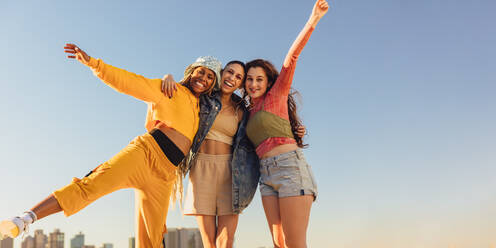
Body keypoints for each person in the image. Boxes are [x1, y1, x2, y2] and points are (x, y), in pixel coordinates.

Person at [0, 44, 222, 248]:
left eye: (210, 76)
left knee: (152, 237)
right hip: (145, 154)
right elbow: (129, 82)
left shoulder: (204, 109)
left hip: (165, 175)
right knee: (92, 185)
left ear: (214, 83)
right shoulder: (169, 90)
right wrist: (94, 64)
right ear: (191, 71)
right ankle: (25, 219)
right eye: (201, 71)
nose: (204, 78)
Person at [161, 63, 307, 248]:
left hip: (230, 173)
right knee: (208, 242)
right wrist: (168, 77)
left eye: (239, 77)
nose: (232, 78)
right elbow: (182, 91)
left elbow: (263, 128)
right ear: (221, 74)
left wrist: (292, 132)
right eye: (230, 72)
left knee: (226, 241)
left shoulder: (242, 111)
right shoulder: (202, 98)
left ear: (241, 84)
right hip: (200, 171)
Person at [243, 0, 329, 247]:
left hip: (290, 169)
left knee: (294, 243)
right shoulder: (246, 112)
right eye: (249, 79)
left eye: (259, 79)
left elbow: (291, 58)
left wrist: (312, 20)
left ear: (268, 81)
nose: (254, 84)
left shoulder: (277, 95)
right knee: (279, 244)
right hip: (266, 175)